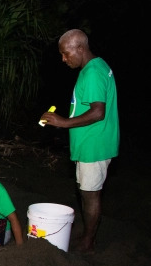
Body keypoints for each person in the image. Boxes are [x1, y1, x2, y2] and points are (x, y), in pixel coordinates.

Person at [40, 29, 119, 253]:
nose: (64, 59)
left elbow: (98, 112)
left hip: (94, 146)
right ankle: (87, 234)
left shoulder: (93, 72)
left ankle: (88, 242)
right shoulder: (95, 67)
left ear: (80, 48)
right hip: (91, 144)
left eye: (66, 54)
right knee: (86, 191)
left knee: (90, 194)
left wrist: (63, 122)